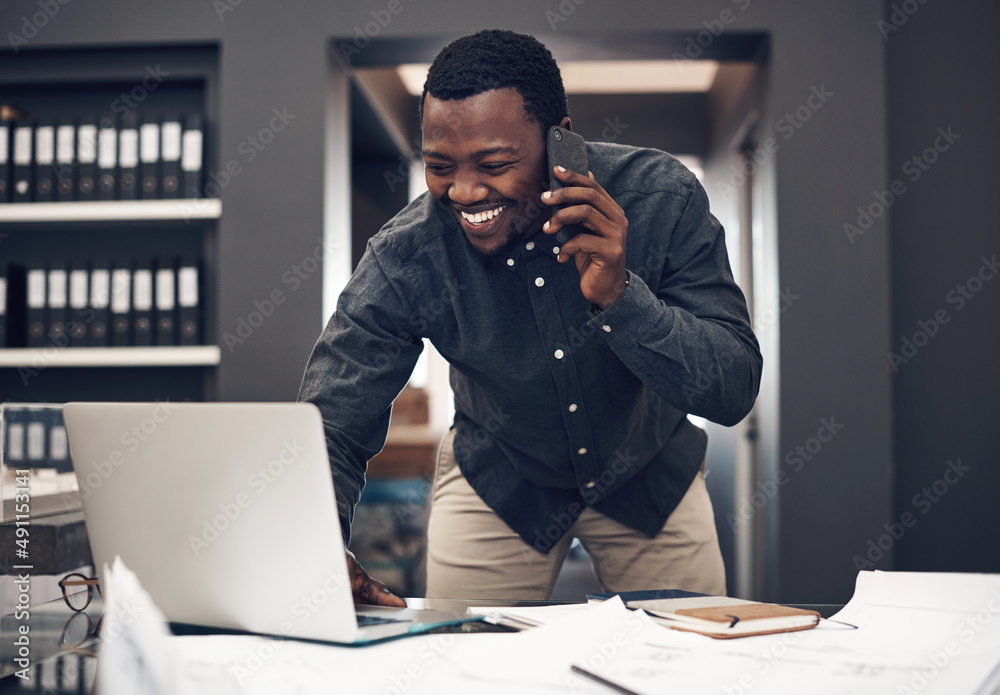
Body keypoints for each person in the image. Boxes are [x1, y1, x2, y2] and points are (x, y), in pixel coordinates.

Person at [298, 29, 761, 605]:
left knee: (689, 666)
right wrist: (315, 543)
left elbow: (733, 387)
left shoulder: (662, 198)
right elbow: (333, 419)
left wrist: (622, 297)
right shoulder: (406, 255)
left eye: (494, 163)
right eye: (439, 165)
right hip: (500, 483)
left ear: (560, 140)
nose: (464, 191)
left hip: (649, 475)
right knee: (465, 662)